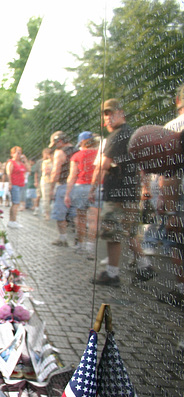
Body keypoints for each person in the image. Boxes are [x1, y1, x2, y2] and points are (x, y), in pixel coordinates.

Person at [90, 99, 154, 286]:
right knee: (130, 232)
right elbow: (143, 166)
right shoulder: (133, 134)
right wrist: (144, 188)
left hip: (117, 193)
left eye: (111, 113)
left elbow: (104, 164)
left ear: (121, 113)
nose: (108, 118)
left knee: (112, 233)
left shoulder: (117, 135)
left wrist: (92, 188)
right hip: (130, 192)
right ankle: (144, 265)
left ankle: (112, 274)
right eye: (105, 114)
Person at [64, 131, 99, 255]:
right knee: (94, 219)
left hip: (81, 186)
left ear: (81, 142)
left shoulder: (77, 156)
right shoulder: (99, 154)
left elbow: (72, 175)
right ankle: (90, 246)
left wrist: (67, 193)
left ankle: (80, 245)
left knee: (80, 218)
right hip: (98, 187)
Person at [48, 131, 76, 245]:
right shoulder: (77, 150)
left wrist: (51, 188)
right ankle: (80, 241)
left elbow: (56, 172)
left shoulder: (60, 152)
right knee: (77, 214)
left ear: (59, 141)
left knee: (60, 213)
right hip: (77, 185)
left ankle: (62, 238)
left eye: (55, 144)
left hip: (64, 185)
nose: (55, 147)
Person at [5, 146, 28, 228]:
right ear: (12, 154)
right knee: (16, 203)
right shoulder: (11, 162)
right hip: (14, 185)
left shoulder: (21, 163)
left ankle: (12, 220)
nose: (19, 155)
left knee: (16, 203)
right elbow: (9, 173)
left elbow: (28, 169)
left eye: (20, 153)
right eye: (17, 153)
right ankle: (13, 221)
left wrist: (25, 161)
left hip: (21, 185)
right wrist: (10, 183)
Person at [39, 148, 53, 220]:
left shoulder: (57, 161)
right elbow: (46, 171)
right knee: (46, 198)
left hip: (55, 181)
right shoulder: (46, 162)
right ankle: (47, 213)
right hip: (46, 181)